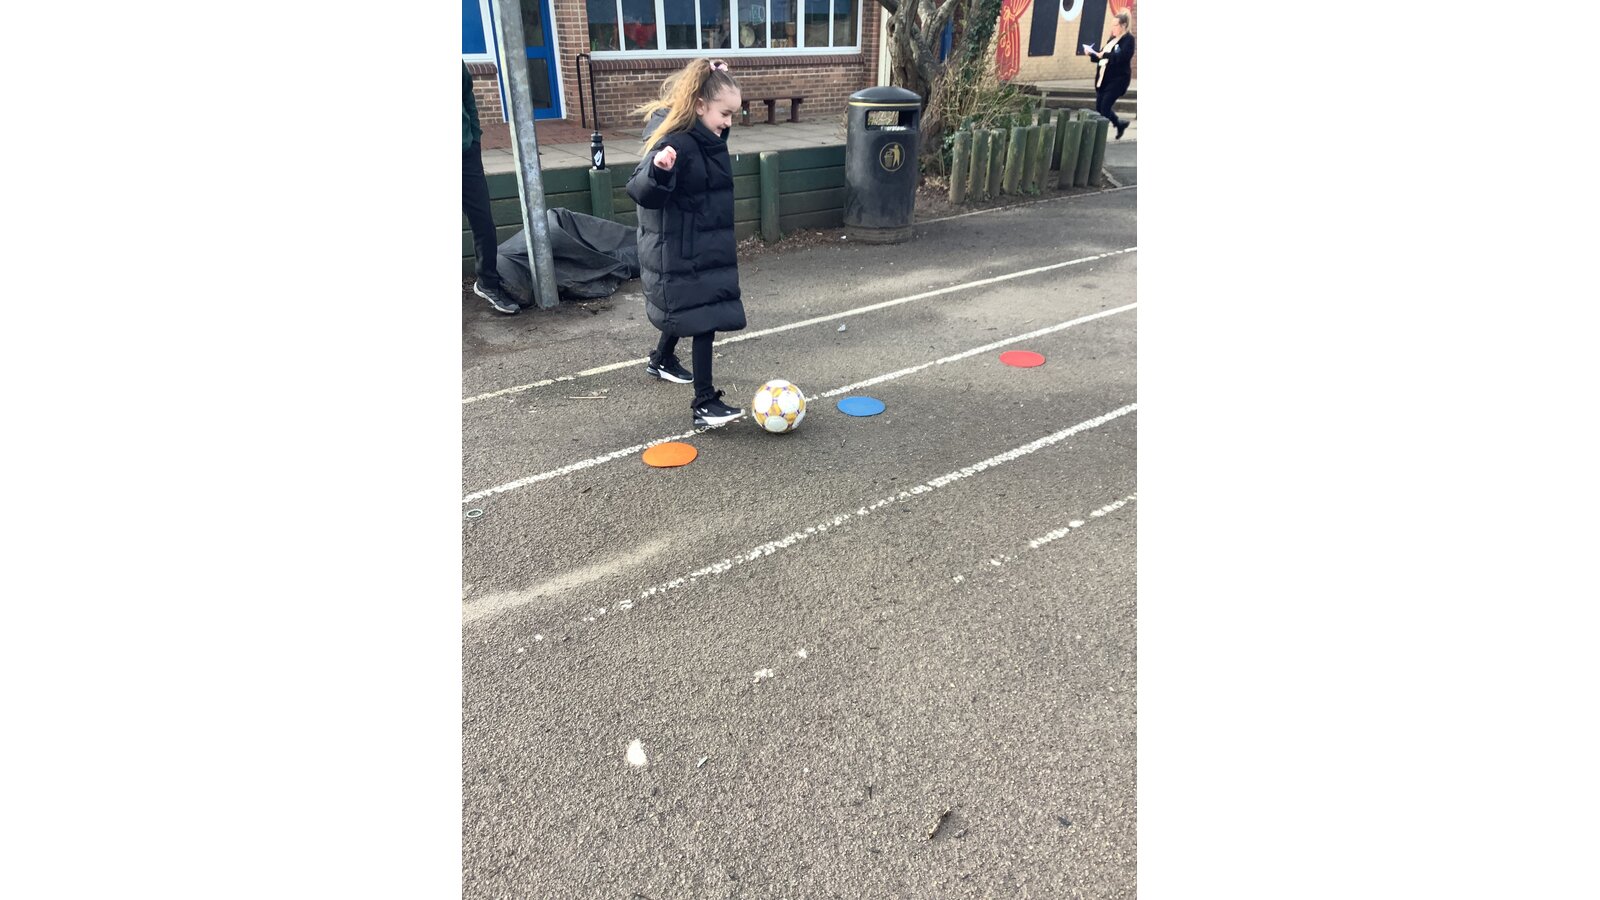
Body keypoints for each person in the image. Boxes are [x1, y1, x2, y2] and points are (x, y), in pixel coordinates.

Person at [627, 59, 748, 428]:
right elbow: (640, 188)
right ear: (699, 106)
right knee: (703, 319)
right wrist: (659, 170)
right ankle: (704, 402)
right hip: (683, 250)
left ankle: (662, 359)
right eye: (724, 113)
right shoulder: (675, 143)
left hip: (694, 245)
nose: (729, 122)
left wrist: (714, 77)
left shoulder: (701, 135)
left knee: (688, 308)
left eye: (734, 114)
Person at [463, 62, 520, 315]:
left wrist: (475, 138)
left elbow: (467, 96)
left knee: (483, 222)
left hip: (465, 155)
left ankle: (487, 282)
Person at [1087, 10, 1136, 140]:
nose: (1112, 28)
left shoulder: (1128, 40)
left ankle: (1098, 137)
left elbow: (1122, 57)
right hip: (1104, 78)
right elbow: (1101, 56)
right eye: (1112, 25)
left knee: (1105, 106)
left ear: (1123, 26)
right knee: (1099, 107)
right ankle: (1119, 124)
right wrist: (1092, 53)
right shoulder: (1111, 40)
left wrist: (1104, 55)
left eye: (1115, 25)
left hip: (1118, 80)